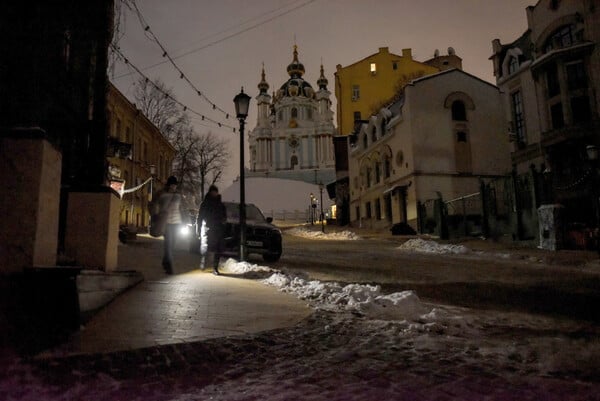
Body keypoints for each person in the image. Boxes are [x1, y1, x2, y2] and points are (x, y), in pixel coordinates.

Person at [156, 175, 187, 274]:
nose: (174, 187)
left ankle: (165, 262)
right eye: (172, 185)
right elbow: (156, 206)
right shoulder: (163, 195)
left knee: (172, 244)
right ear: (169, 185)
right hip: (167, 223)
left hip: (177, 223)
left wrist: (185, 219)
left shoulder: (179, 196)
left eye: (175, 185)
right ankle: (169, 266)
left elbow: (183, 208)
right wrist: (157, 215)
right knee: (168, 244)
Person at [197, 185, 227, 275]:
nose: (214, 193)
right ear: (210, 192)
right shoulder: (205, 203)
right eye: (213, 192)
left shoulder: (220, 204)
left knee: (218, 249)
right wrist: (198, 228)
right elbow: (200, 217)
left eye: (216, 192)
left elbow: (224, 215)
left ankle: (215, 268)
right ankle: (204, 260)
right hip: (208, 228)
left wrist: (224, 220)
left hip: (218, 228)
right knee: (208, 247)